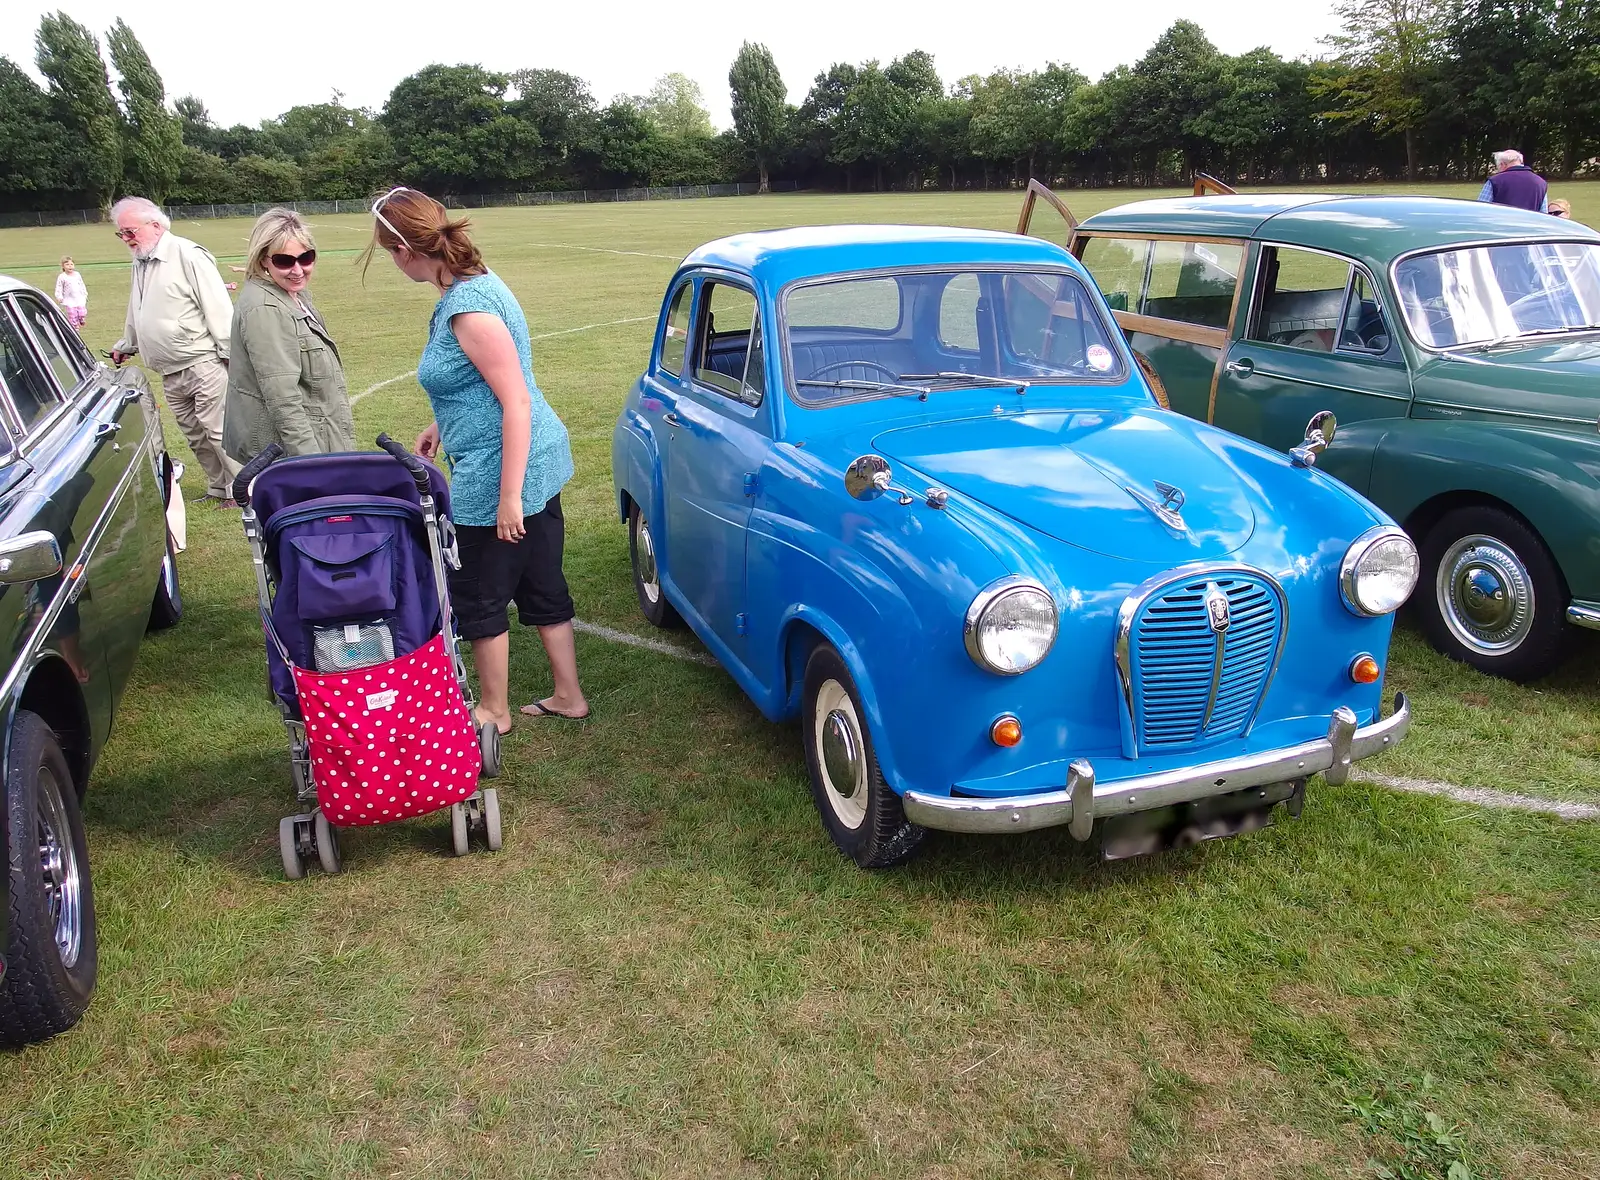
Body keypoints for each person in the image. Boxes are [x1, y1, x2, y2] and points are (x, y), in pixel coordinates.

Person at [362, 186, 589, 730]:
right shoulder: (474, 282)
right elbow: (484, 383)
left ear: (406, 250)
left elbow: (516, 401)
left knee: (480, 594)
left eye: (388, 253)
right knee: (541, 580)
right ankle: (568, 695)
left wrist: (507, 497)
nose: (393, 265)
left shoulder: (468, 310)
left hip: (503, 469)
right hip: (525, 458)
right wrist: (442, 423)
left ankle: (493, 710)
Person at [109, 196, 240, 508]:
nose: (127, 239)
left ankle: (241, 491)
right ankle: (219, 487)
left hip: (203, 361)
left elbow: (218, 308)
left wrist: (231, 356)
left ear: (155, 225)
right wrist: (126, 344)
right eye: (122, 233)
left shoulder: (188, 254)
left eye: (131, 231)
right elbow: (137, 309)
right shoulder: (140, 260)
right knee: (194, 434)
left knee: (218, 429)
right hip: (168, 369)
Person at [222, 208, 355, 463]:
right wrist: (312, 466)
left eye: (306, 258)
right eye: (284, 261)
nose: (298, 269)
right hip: (294, 454)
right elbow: (283, 399)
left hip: (317, 439)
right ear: (263, 259)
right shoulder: (266, 309)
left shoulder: (293, 295)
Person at [1477, 150, 1549, 212]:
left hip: (1501, 226)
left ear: (1502, 164)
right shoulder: (1541, 183)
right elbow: (1543, 213)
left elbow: (1482, 208)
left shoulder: (1495, 181)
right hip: (1530, 226)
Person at [53, 256, 87, 332]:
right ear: (63, 266)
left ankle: (81, 319)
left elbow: (81, 284)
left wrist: (84, 293)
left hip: (79, 297)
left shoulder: (77, 275)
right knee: (72, 314)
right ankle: (75, 327)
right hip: (69, 299)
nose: (70, 266)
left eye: (71, 264)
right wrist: (59, 296)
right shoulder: (62, 277)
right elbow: (59, 287)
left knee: (82, 312)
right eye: (67, 264)